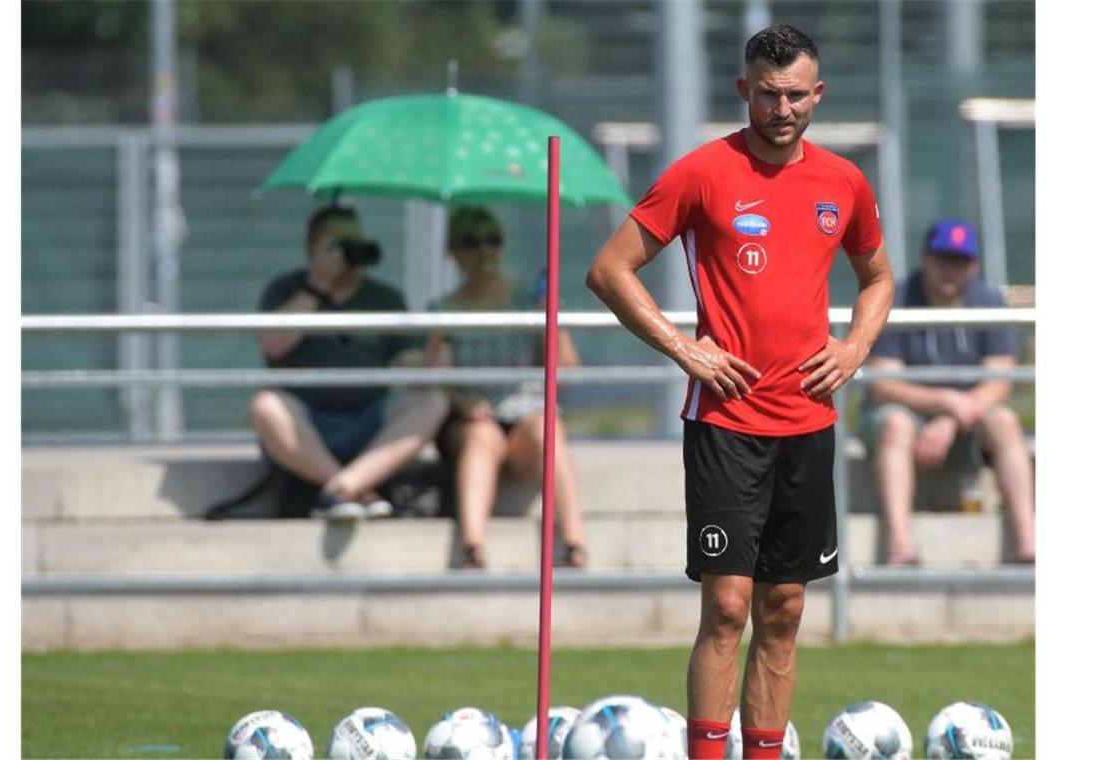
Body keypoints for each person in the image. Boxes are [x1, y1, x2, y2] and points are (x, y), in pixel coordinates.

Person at [585, 25, 893, 760]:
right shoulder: (701, 173)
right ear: (742, 91)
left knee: (782, 610)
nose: (781, 107)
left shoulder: (844, 182)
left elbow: (878, 277)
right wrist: (683, 348)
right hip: (726, 424)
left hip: (809, 422)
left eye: (795, 94)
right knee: (727, 607)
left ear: (816, 94)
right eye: (767, 93)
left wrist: (854, 347)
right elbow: (609, 270)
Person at [249, 205, 449, 519]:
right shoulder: (287, 289)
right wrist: (318, 286)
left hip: (368, 421)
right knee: (265, 406)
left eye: (356, 242)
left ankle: (341, 488)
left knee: (432, 402)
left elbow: (413, 368)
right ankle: (357, 490)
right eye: (340, 245)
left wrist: (435, 348)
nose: (352, 252)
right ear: (313, 249)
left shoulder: (384, 299)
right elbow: (272, 345)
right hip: (305, 423)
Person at [863, 218, 1036, 566]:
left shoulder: (988, 300)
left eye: (959, 261)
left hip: (965, 419)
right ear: (925, 257)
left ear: (973, 265)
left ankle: (1029, 546)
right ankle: (900, 549)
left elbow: (999, 382)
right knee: (896, 423)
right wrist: (946, 402)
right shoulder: (897, 297)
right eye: (942, 258)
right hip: (907, 416)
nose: (949, 269)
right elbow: (884, 386)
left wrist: (950, 418)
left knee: (1004, 421)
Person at [430, 206, 588, 570]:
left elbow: (568, 371)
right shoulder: (443, 308)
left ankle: (574, 544)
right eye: (471, 242)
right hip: (473, 416)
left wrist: (551, 316)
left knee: (549, 428)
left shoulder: (526, 299)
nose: (484, 250)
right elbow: (432, 377)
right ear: (453, 250)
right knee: (482, 437)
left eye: (492, 240)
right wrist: (464, 404)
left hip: (526, 415)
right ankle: (472, 547)